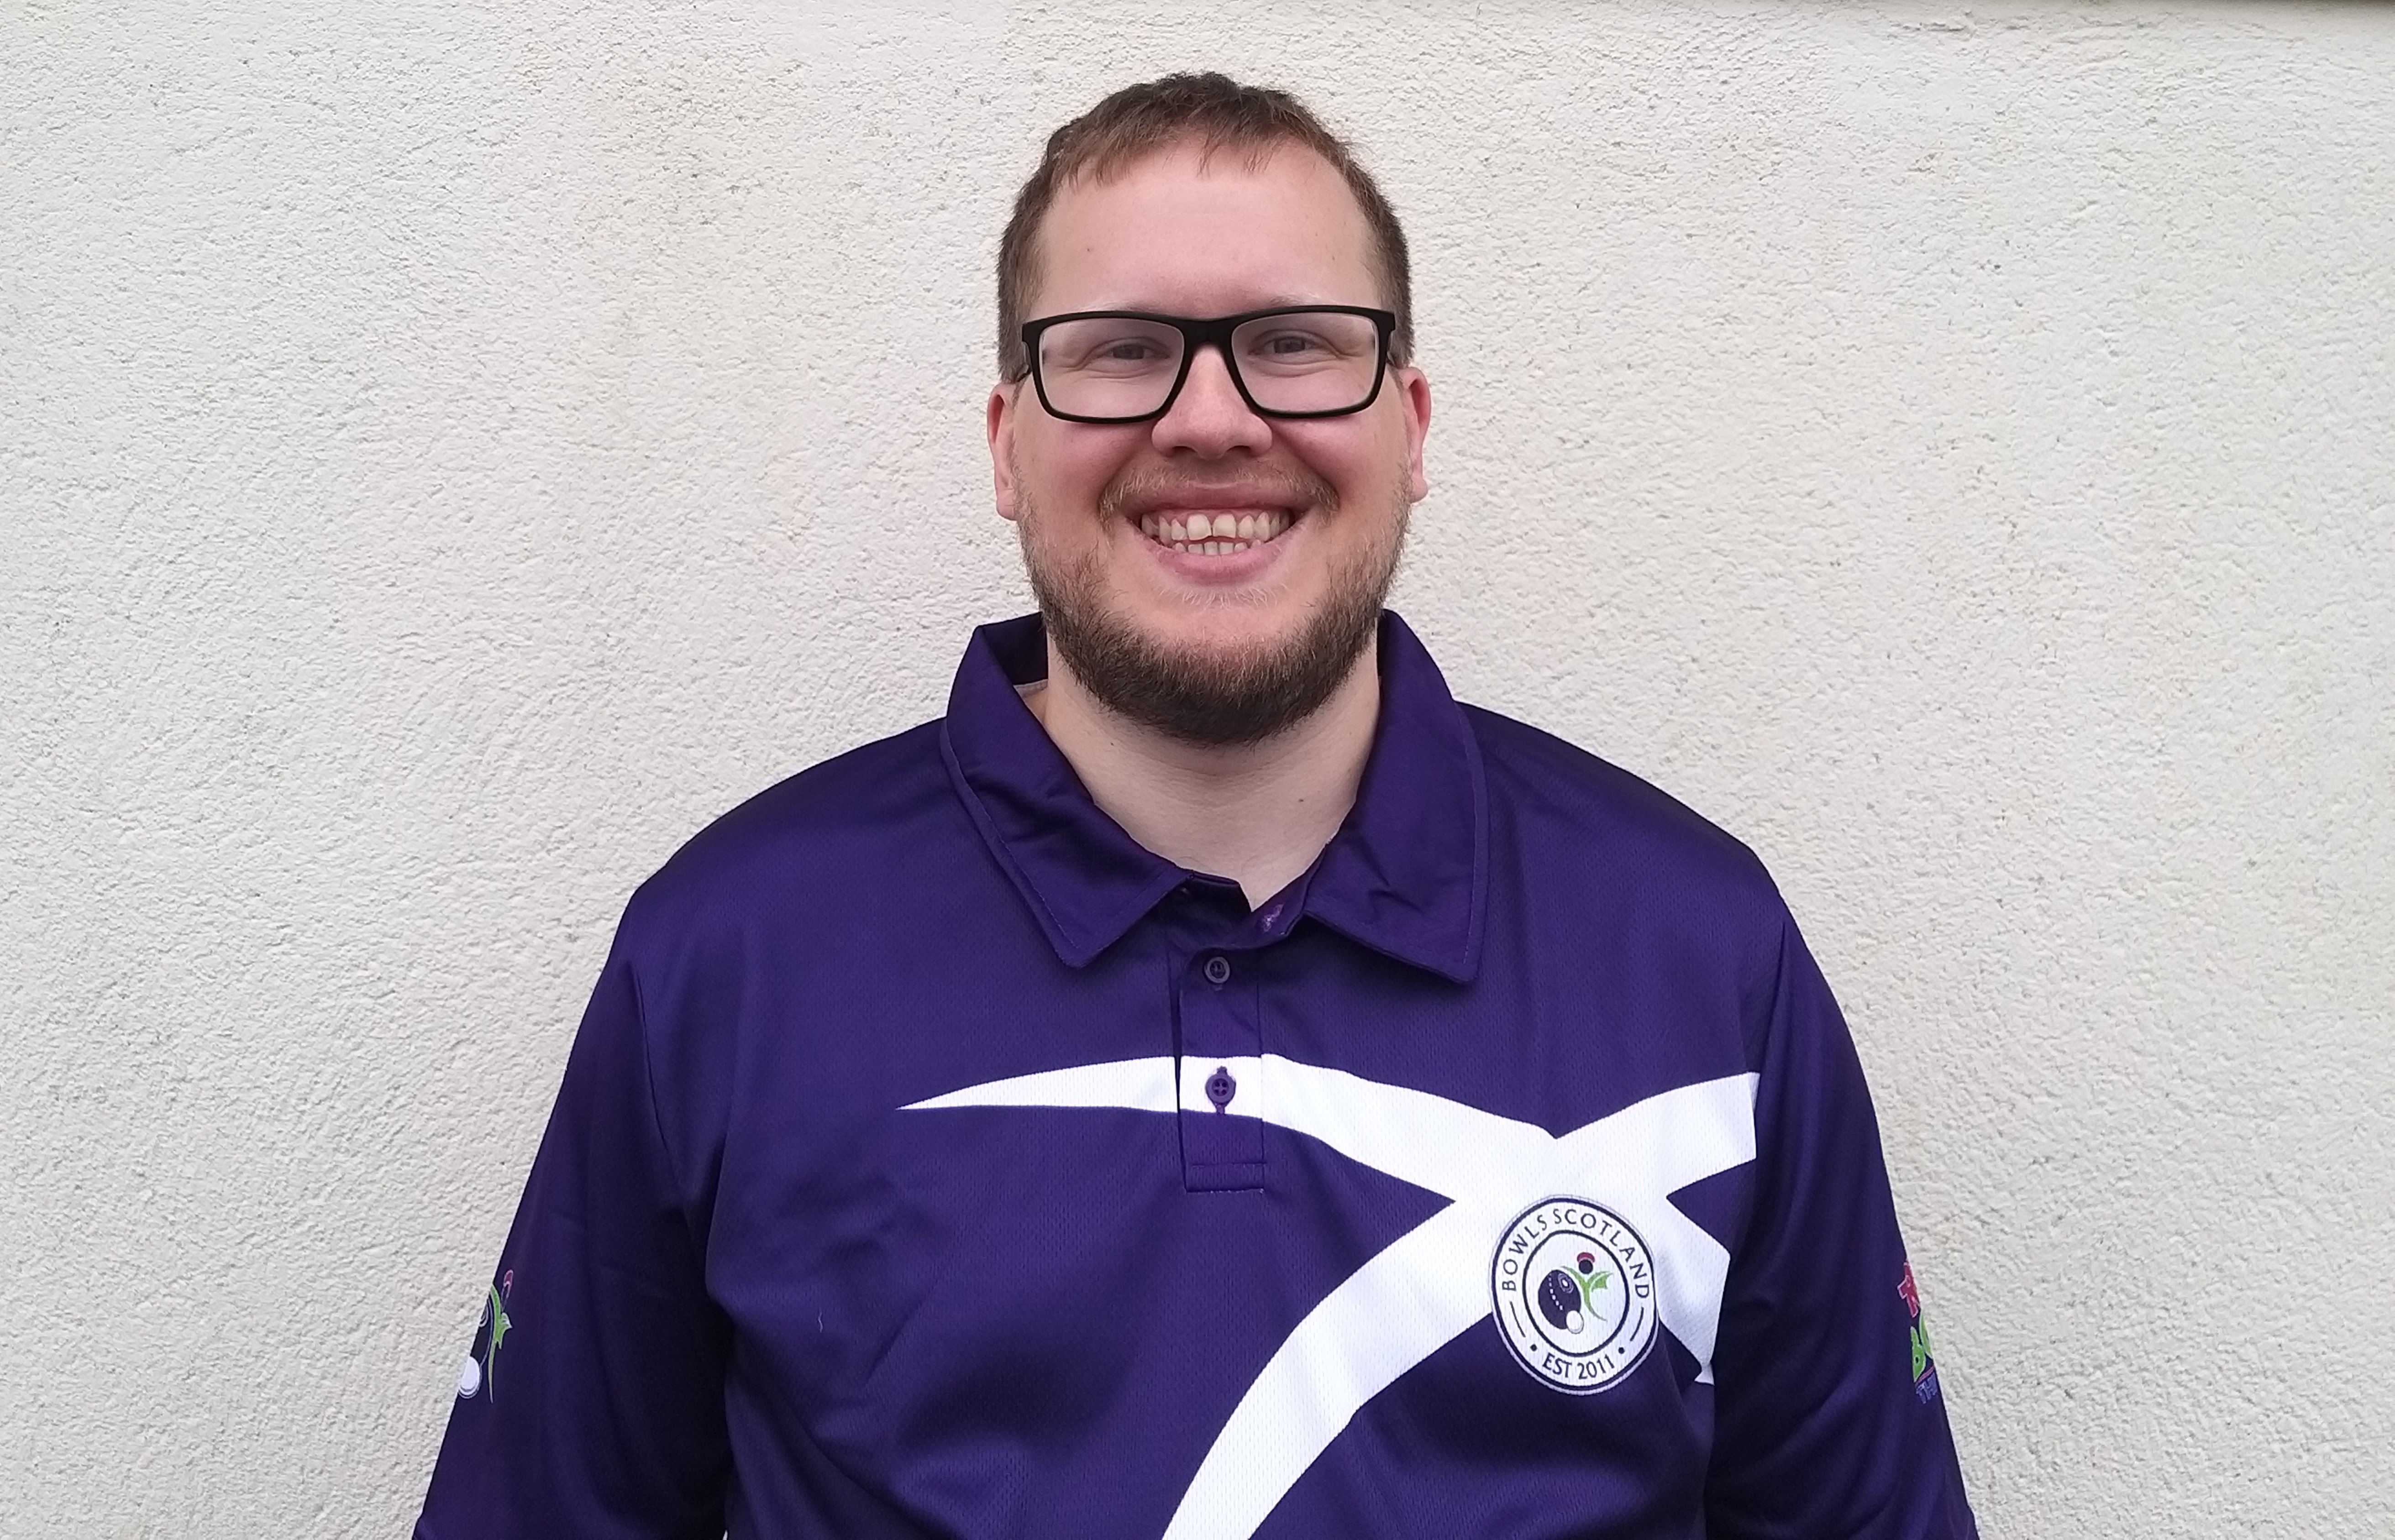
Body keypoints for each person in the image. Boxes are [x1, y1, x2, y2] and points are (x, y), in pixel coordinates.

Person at [415, 73, 1978, 1540]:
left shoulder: (1698, 953)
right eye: (1119, 349)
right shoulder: (733, 957)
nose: (1213, 419)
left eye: (1294, 342)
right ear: (1008, 445)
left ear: (1411, 428)